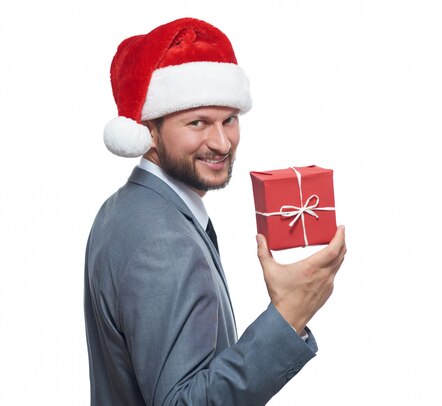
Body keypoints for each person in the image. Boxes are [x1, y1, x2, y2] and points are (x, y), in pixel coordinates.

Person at [84, 17, 347, 405]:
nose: (222, 142)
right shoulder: (163, 241)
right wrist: (288, 316)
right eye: (197, 122)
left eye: (230, 120)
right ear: (148, 130)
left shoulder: (124, 208)